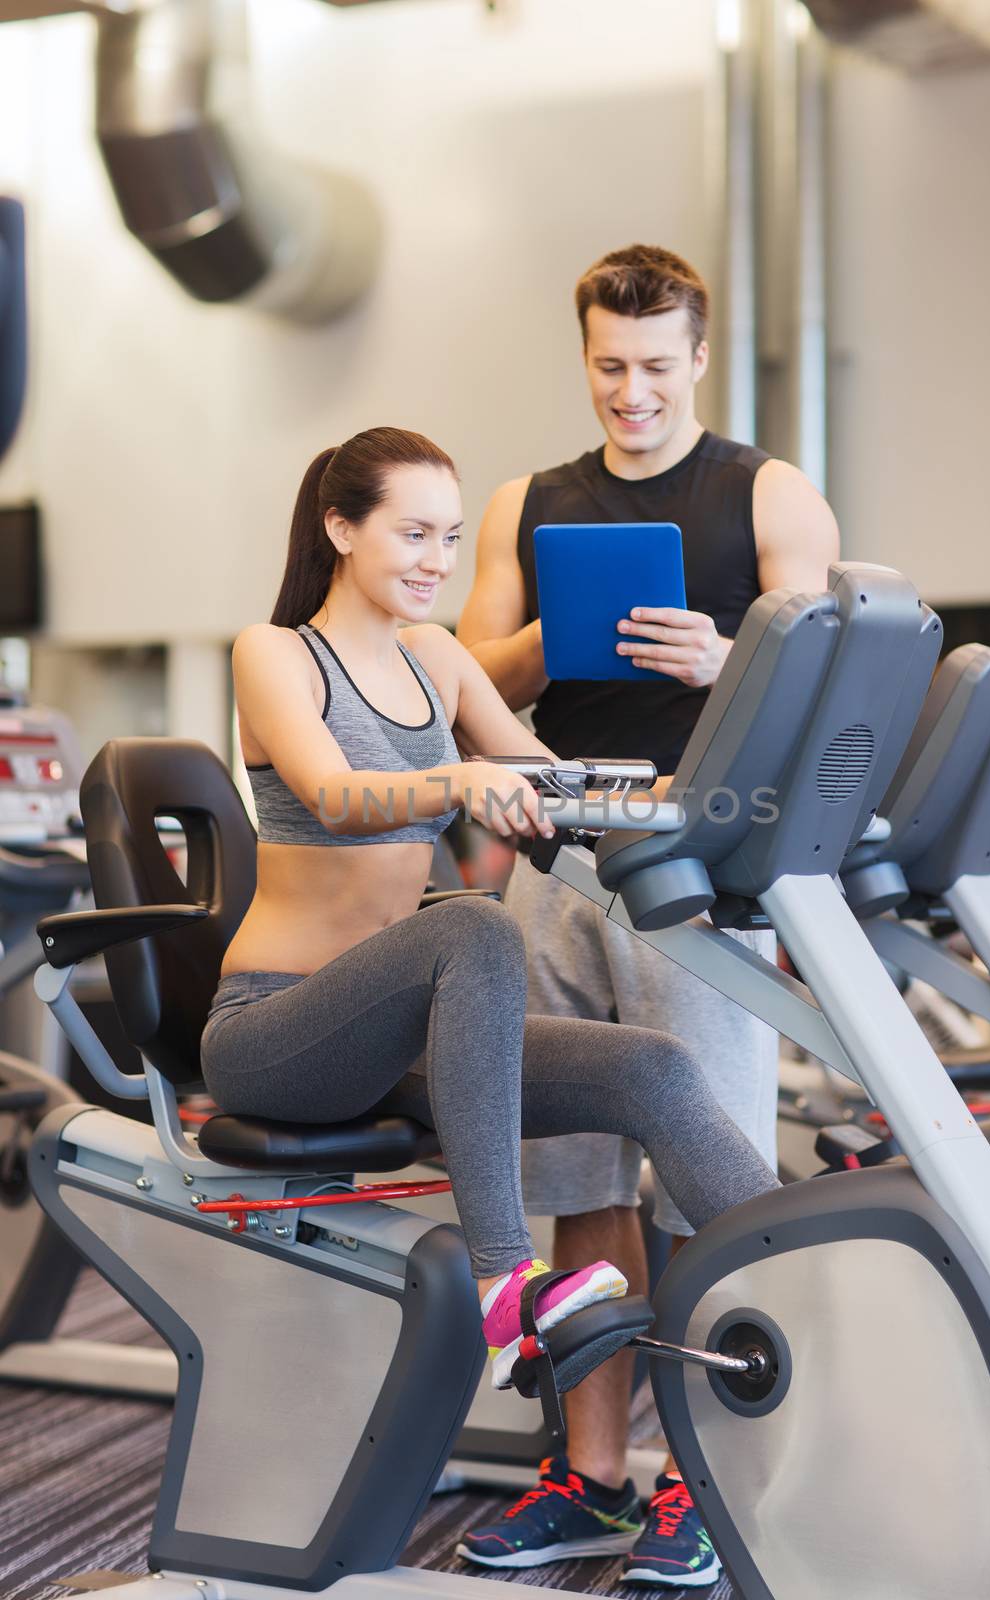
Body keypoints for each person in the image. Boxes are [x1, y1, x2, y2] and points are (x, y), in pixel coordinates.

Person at [199, 425, 778, 1407]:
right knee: (474, 923)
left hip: (407, 1041)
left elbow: (552, 783)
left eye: (451, 539)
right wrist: (459, 778)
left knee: (656, 1066)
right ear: (340, 528)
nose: (437, 562)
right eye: (412, 534)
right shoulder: (276, 654)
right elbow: (337, 794)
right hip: (278, 1031)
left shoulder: (437, 659)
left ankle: (816, 1280)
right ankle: (508, 1287)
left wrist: (712, 798)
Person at [456, 245, 839, 1586]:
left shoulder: (767, 492)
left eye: (656, 367)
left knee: (704, 1178)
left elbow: (830, 680)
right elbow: (468, 670)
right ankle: (594, 1473)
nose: (632, 392)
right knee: (575, 1180)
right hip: (558, 858)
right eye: (610, 367)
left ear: (699, 358)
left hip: (699, 863)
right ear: (587, 358)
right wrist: (554, 639)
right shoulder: (529, 501)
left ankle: (706, 1481)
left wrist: (726, 656)